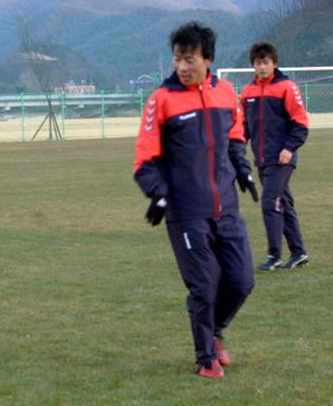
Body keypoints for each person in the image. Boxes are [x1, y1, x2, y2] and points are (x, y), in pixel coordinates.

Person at [133, 22, 258, 380]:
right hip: (186, 211)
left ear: (208, 58)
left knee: (241, 281)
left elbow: (235, 137)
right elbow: (144, 159)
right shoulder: (162, 99)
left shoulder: (225, 93)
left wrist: (244, 171)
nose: (182, 67)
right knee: (205, 284)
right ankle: (206, 358)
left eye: (189, 59)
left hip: (226, 208)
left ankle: (215, 330)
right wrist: (158, 195)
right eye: (177, 59)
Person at [240, 41, 310, 270]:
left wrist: (288, 148)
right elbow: (244, 128)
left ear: (274, 63)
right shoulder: (248, 92)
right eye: (258, 63)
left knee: (270, 202)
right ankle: (298, 252)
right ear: (253, 65)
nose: (262, 67)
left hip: (282, 158)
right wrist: (236, 148)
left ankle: (274, 255)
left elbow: (300, 124)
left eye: (266, 62)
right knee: (284, 203)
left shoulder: (286, 87)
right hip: (262, 158)